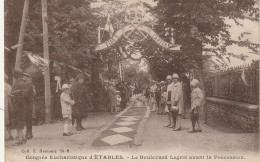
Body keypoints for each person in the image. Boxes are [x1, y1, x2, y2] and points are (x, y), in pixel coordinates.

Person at [10, 69, 32, 145]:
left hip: (17, 104)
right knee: (21, 120)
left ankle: (19, 140)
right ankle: (22, 137)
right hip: (24, 105)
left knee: (18, 122)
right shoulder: (27, 83)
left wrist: (10, 97)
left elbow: (13, 95)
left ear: (15, 76)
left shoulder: (16, 84)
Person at [5, 74, 13, 140]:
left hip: (5, 105)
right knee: (7, 121)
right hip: (6, 106)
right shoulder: (8, 86)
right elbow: (11, 97)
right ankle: (10, 134)